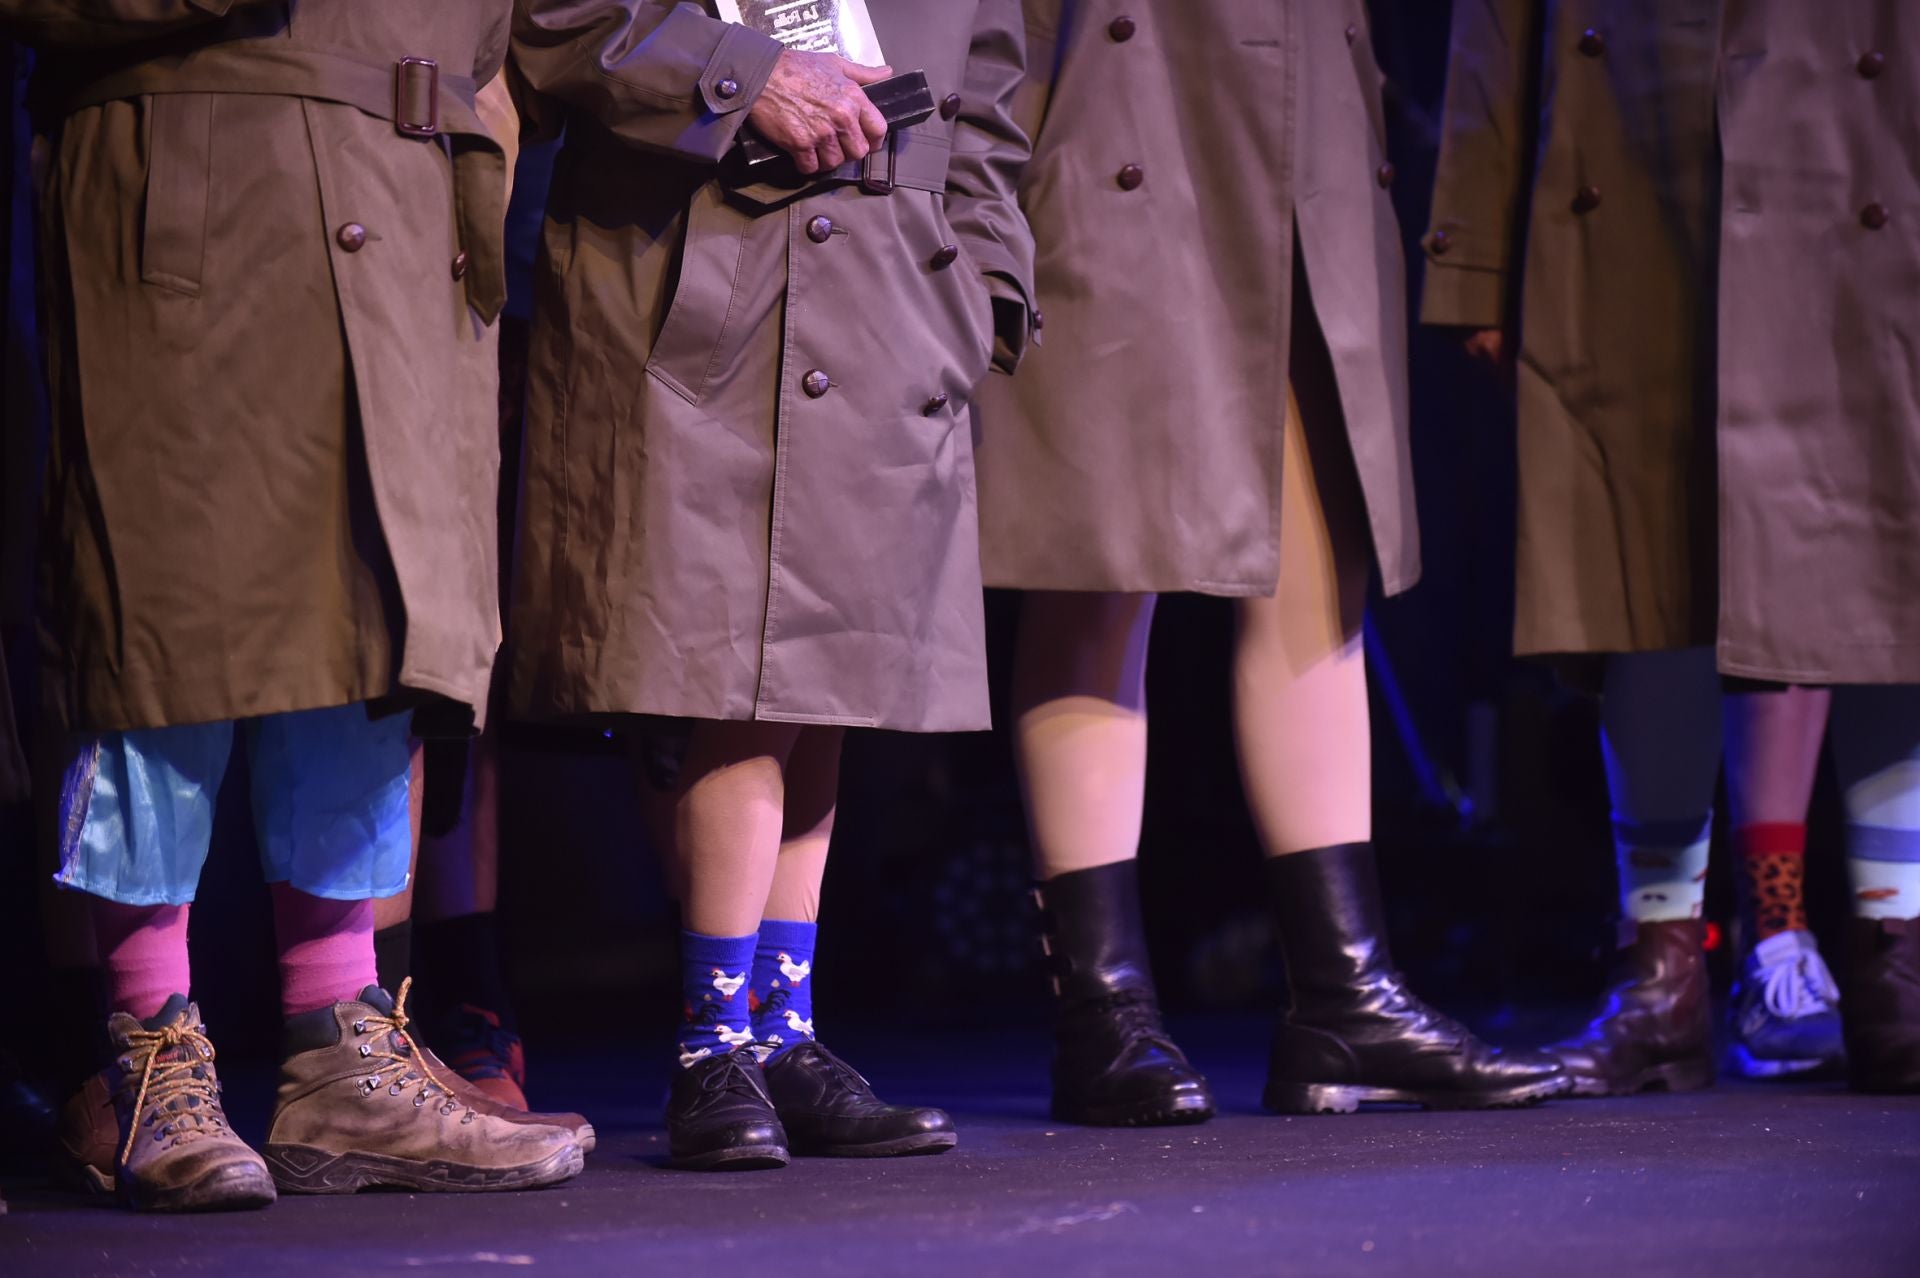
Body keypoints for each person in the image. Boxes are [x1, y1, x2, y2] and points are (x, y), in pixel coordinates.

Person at [4, 0, 589, 1210]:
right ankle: (144, 1055)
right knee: (166, 622)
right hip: (202, 167)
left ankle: (342, 1052)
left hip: (403, 181)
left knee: (371, 626)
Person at [971, 0, 1568, 1124]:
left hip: (1305, 103)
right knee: (1101, 546)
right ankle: (1103, 1014)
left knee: (1315, 555)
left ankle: (1346, 996)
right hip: (1112, 99)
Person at [507, 0, 1035, 1168]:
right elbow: (555, 20)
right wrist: (741, 75)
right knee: (731, 681)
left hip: (896, 302)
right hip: (691, 290)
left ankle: (781, 1036)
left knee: (821, 688)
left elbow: (988, 100)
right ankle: (712, 1047)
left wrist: (989, 279)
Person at [1424, 0, 1919, 1095]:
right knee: (1636, 562)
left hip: (1861, 125)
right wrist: (1469, 256)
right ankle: (1663, 970)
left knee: (1885, 554)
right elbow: (1494, 21)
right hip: (1631, 133)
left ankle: (1898, 956)